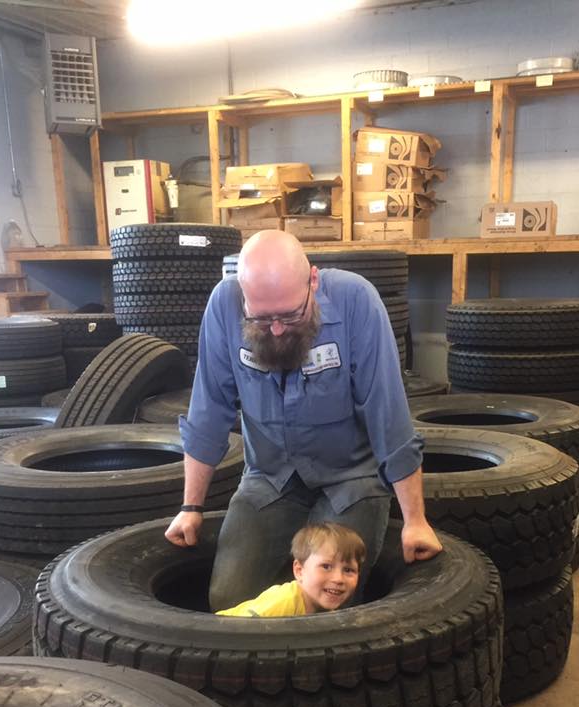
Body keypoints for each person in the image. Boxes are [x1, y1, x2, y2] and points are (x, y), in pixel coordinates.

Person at [165, 229, 442, 610]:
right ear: (244, 295)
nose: (276, 329)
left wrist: (415, 520)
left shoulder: (355, 301)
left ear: (313, 280)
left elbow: (388, 414)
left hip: (351, 478)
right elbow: (208, 412)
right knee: (228, 601)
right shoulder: (224, 306)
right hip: (269, 477)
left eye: (289, 315)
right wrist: (190, 508)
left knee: (330, 596)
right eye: (262, 319)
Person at [216, 521, 364, 617]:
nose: (338, 579)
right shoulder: (283, 603)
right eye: (326, 567)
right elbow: (234, 637)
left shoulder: (325, 608)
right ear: (299, 571)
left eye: (348, 570)